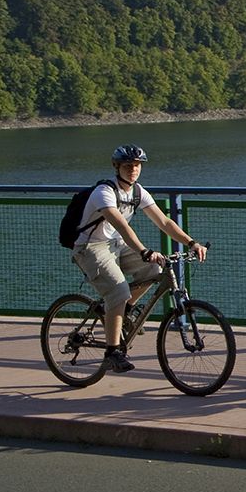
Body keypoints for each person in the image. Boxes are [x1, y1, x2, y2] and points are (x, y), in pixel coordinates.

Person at [71, 144, 208, 373]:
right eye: (127, 166)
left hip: (116, 244)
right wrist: (144, 251)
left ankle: (122, 311)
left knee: (153, 271)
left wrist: (191, 242)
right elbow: (122, 226)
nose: (133, 170)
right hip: (90, 247)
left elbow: (164, 222)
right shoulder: (104, 192)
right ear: (116, 167)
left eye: (137, 166)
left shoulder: (138, 192)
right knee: (118, 290)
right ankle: (112, 352)